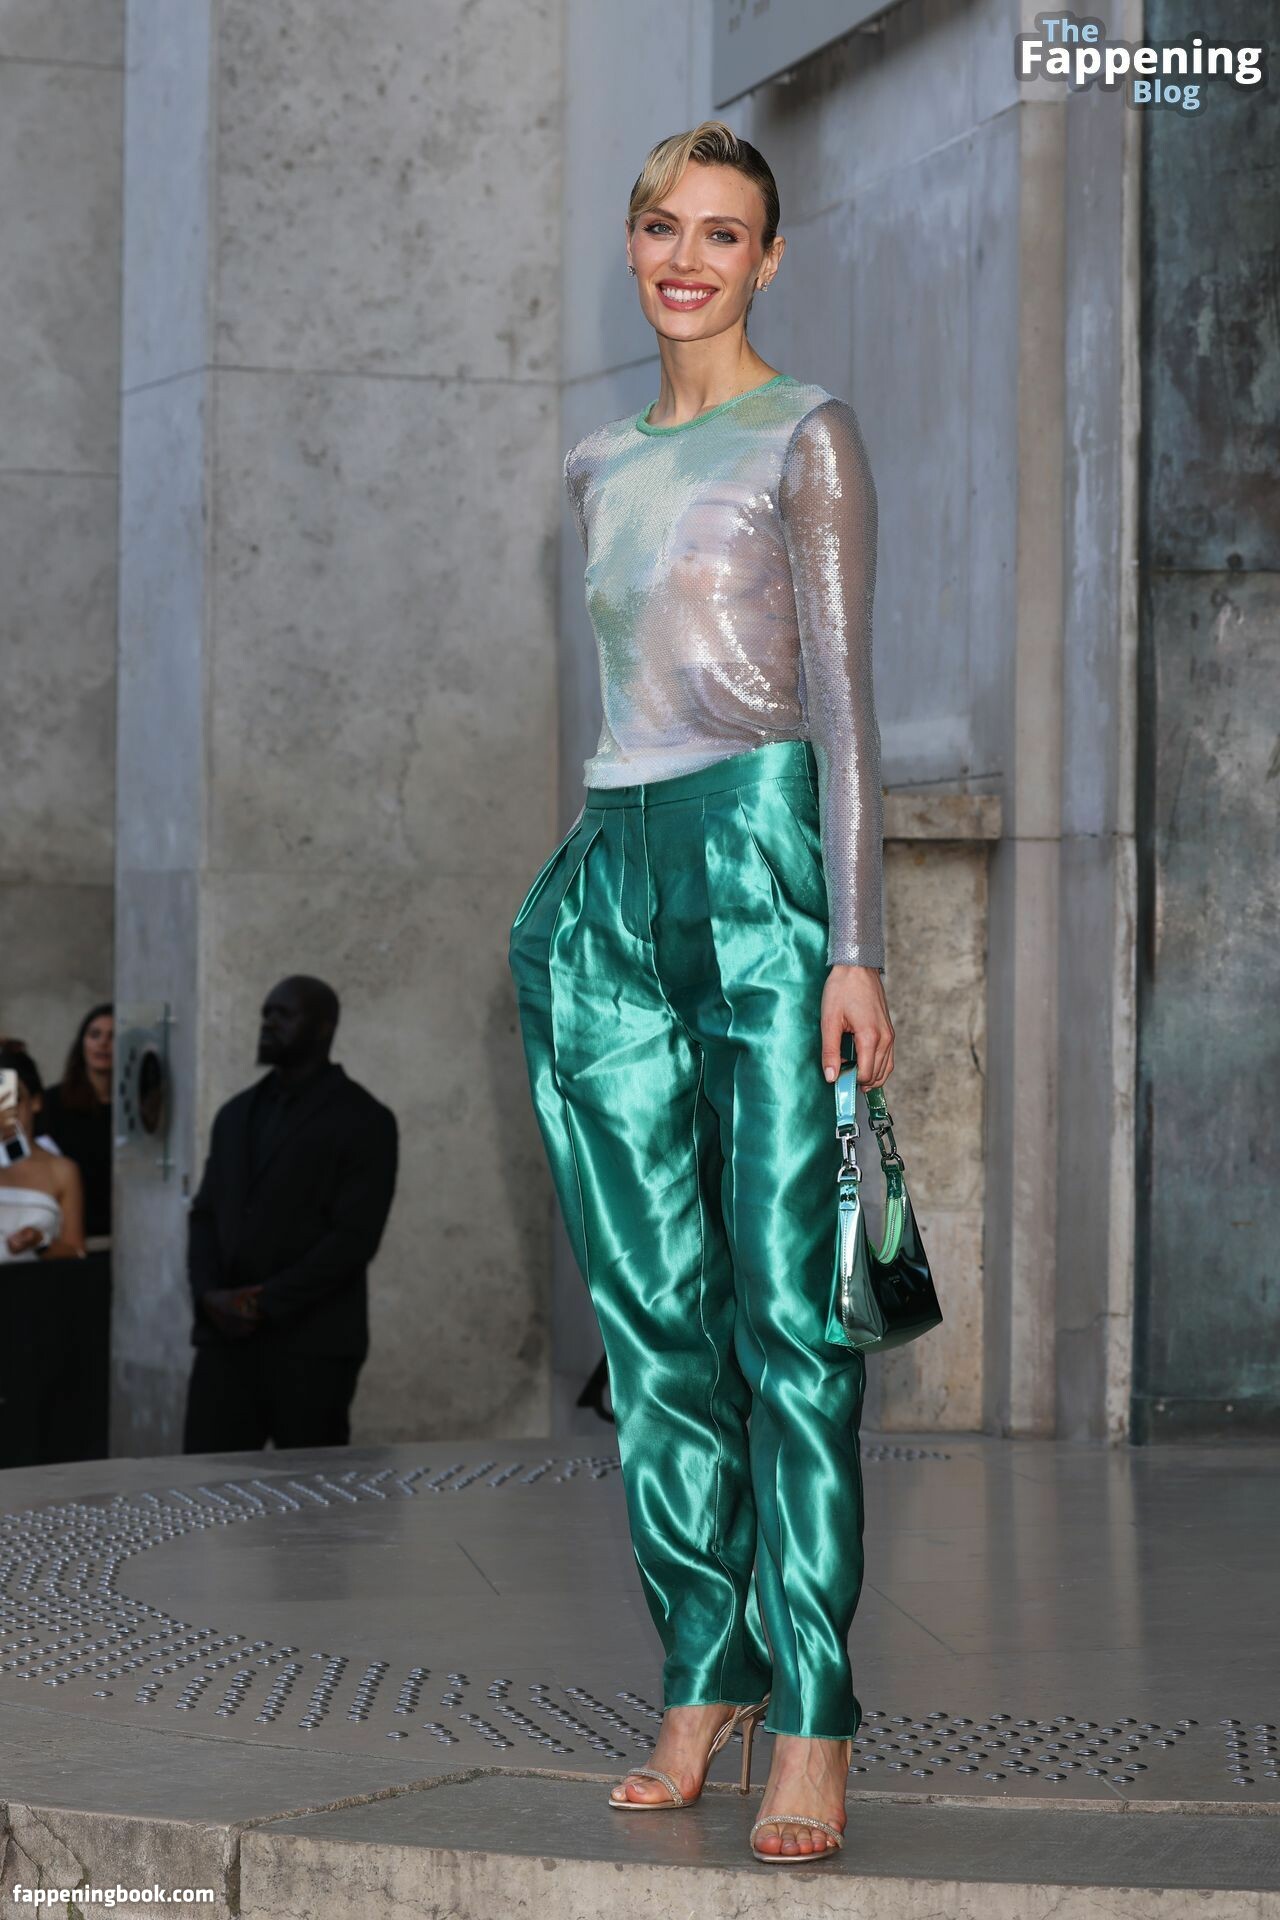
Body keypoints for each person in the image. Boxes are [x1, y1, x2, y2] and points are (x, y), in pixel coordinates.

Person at [508, 121, 894, 1864]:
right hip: (613, 877)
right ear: (634, 240)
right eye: (663, 226)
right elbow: (618, 702)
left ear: (768, 260)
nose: (687, 259)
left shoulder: (807, 435)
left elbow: (848, 712)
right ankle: (703, 1669)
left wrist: (854, 943)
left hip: (763, 871)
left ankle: (811, 1708)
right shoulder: (597, 460)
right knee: (653, 1322)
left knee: (791, 1321)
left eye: (722, 234)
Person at [181, 975, 399, 1453]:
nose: (268, 1023)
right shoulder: (235, 1115)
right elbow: (205, 1216)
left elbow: (354, 1238)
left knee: (313, 1490)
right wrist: (210, 1296)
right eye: (265, 1013)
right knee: (204, 1483)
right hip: (225, 1343)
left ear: (323, 1027)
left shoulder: (365, 1119)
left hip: (312, 1346)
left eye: (283, 1014)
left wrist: (263, 1303)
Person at [0, 1046, 87, 1262]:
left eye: (13, 1099)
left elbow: (77, 1255)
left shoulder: (62, 1170)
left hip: (36, 1281)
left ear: (35, 1101)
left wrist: (40, 1241)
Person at [39, 1003, 114, 1246]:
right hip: (69, 1238)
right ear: (82, 1043)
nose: (103, 1043)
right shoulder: (52, 1103)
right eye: (95, 1035)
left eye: (113, 1036)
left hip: (129, 1232)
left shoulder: (141, 1109)